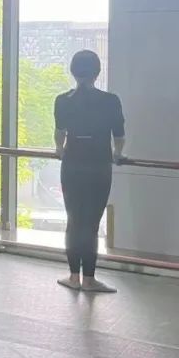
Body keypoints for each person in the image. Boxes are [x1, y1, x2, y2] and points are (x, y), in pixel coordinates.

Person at [54, 50, 126, 294]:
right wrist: (117, 154)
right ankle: (89, 279)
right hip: (99, 166)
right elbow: (119, 136)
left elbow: (59, 135)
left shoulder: (63, 100)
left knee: (73, 221)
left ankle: (73, 276)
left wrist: (59, 149)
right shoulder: (110, 100)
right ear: (97, 72)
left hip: (72, 165)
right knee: (91, 223)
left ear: (73, 72)